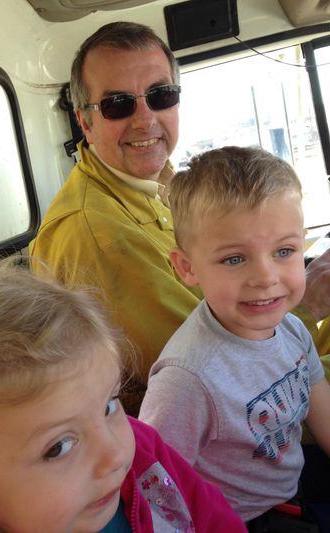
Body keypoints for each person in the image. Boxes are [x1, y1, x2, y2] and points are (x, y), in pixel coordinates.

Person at [29, 20, 330, 416]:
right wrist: (307, 305)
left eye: (160, 95)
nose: (144, 119)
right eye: (118, 104)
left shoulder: (161, 182)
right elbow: (225, 378)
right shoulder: (96, 234)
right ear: (85, 122)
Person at [0, 258, 247, 533]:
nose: (115, 456)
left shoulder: (144, 453)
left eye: (109, 405)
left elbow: (210, 514)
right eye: (58, 447)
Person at [139, 146, 330, 526]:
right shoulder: (186, 379)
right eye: (234, 259)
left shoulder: (291, 328)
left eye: (284, 251)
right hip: (242, 518)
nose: (265, 277)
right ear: (187, 267)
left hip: (290, 486)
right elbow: (153, 483)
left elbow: (320, 407)